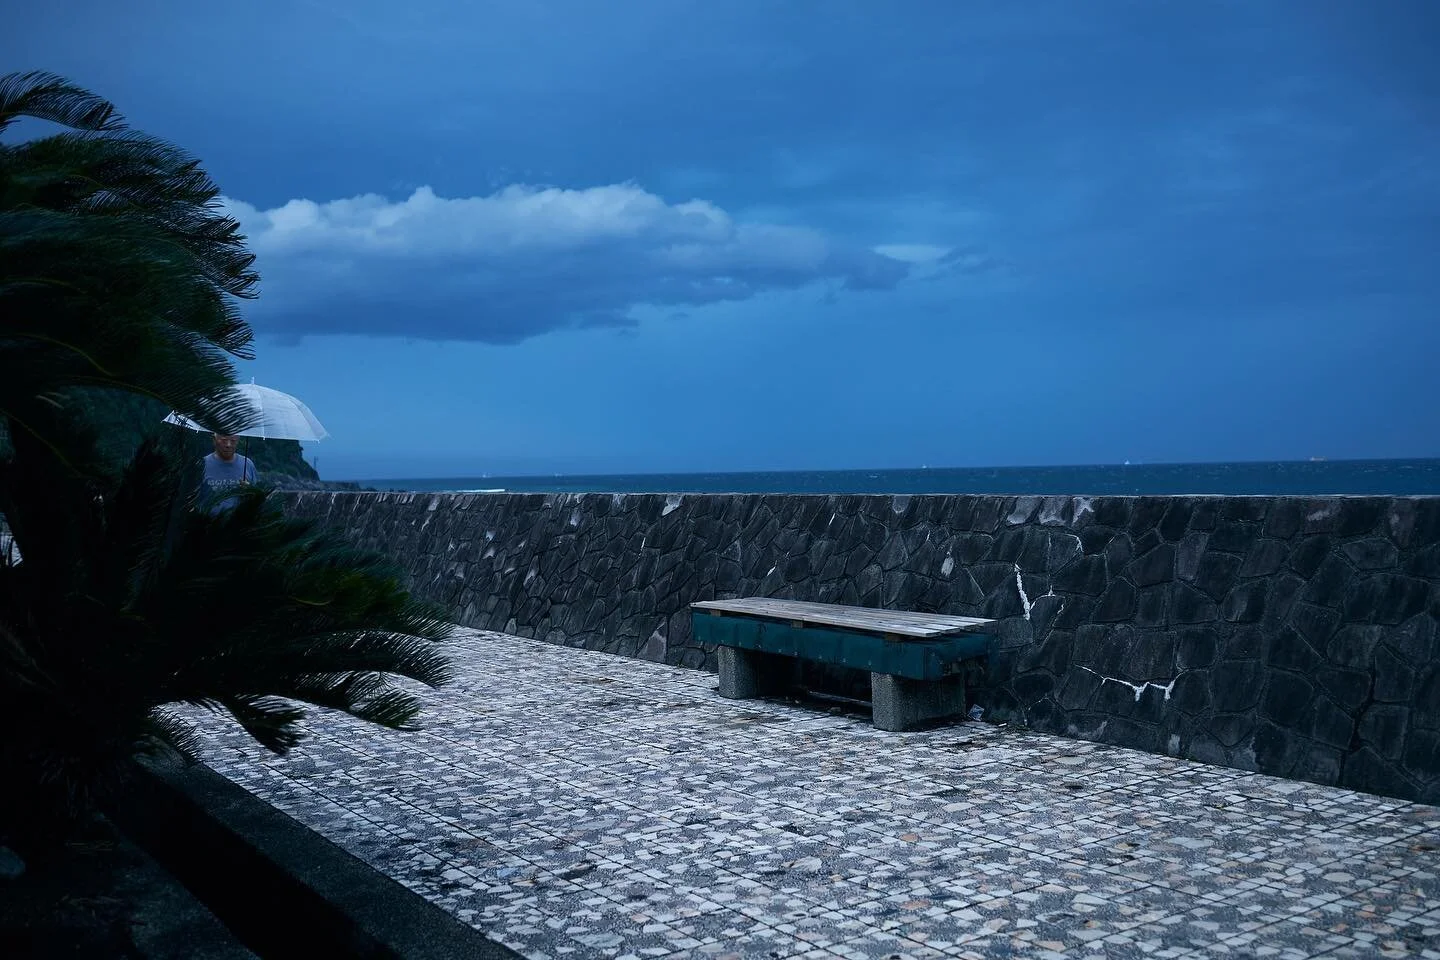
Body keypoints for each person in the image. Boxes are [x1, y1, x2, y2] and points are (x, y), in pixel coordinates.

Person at [200, 432, 257, 513]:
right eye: (224, 440)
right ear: (214, 440)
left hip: (240, 522)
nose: (228, 445)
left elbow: (259, 497)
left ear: (238, 441)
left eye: (233, 441)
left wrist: (250, 490)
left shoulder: (247, 464)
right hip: (207, 522)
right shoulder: (202, 464)